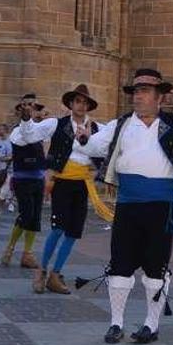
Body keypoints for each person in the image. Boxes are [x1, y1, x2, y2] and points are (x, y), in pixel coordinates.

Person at [76, 68, 173, 344]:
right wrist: (84, 138)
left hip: (160, 206)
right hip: (128, 204)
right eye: (135, 92)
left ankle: (151, 324)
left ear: (160, 98)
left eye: (144, 92)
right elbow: (93, 146)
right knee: (120, 264)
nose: (138, 97)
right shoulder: (121, 125)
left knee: (156, 266)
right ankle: (116, 323)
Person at [16, 84, 112, 295]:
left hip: (83, 184)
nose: (81, 105)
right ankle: (41, 270)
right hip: (62, 182)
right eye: (78, 101)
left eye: (85, 102)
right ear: (70, 103)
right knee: (58, 228)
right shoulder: (55, 124)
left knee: (73, 232)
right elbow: (30, 135)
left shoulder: (97, 129)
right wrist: (25, 118)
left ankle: (55, 274)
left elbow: (112, 143)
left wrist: (100, 168)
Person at [2, 95, 46, 269]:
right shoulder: (16, 131)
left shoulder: (38, 130)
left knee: (35, 218)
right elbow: (24, 139)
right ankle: (10, 248)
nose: (30, 109)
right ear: (20, 110)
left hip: (38, 179)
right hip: (23, 180)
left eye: (33, 106)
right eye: (26, 106)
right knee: (25, 215)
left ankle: (27, 254)